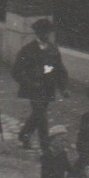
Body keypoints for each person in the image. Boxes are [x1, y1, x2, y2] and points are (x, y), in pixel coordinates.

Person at [13, 18, 69, 148]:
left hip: (48, 88)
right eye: (42, 32)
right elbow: (16, 71)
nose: (45, 35)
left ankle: (24, 135)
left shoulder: (53, 49)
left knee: (38, 114)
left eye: (47, 32)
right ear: (37, 33)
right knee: (41, 115)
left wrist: (64, 88)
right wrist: (29, 83)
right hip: (34, 88)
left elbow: (60, 70)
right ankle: (45, 146)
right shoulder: (28, 50)